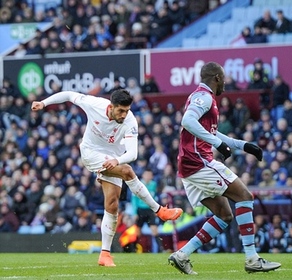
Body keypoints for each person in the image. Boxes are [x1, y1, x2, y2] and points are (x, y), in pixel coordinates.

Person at [31, 89, 182, 267]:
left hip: (113, 158)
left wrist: (116, 160)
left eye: (127, 110)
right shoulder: (94, 104)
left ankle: (105, 254)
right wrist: (44, 103)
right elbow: (69, 95)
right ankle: (159, 211)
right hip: (90, 153)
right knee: (126, 171)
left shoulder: (130, 121)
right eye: (121, 111)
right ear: (111, 107)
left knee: (112, 204)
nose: (124, 115)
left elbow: (132, 153)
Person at [167, 61, 281, 274]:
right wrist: (218, 145)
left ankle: (182, 255)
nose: (226, 84)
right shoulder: (204, 97)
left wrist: (243, 146)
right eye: (225, 79)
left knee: (225, 215)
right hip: (198, 161)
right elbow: (188, 121)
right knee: (245, 196)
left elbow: (209, 131)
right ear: (217, 78)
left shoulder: (201, 98)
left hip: (189, 166)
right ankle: (252, 259)